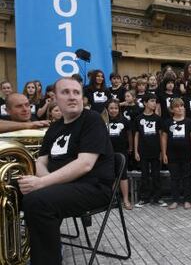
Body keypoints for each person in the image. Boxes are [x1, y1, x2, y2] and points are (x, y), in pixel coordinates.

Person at [18, 77, 114, 265]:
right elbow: (41, 161)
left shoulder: (92, 119)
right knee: (11, 192)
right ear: (55, 98)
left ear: (82, 97)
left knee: (38, 201)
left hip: (93, 187)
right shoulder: (55, 127)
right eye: (65, 92)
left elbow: (85, 164)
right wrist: (44, 182)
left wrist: (42, 184)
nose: (72, 97)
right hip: (62, 186)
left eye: (76, 92)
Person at [161, 98, 191, 209]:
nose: (180, 108)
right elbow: (164, 138)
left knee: (187, 177)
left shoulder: (189, 122)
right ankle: (175, 200)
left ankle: (187, 200)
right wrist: (164, 153)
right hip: (172, 154)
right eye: (177, 106)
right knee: (174, 178)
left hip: (187, 154)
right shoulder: (167, 122)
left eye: (181, 106)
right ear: (172, 109)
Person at [134, 94, 167, 208]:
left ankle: (158, 198)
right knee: (144, 175)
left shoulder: (158, 118)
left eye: (155, 101)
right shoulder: (138, 118)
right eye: (152, 101)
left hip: (156, 151)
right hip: (143, 151)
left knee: (156, 175)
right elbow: (137, 135)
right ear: (145, 103)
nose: (154, 103)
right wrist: (135, 151)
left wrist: (162, 152)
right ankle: (144, 198)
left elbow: (161, 135)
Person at [107, 99, 132, 210]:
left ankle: (125, 199)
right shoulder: (104, 120)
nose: (113, 110)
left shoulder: (124, 120)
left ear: (119, 109)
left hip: (122, 151)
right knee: (110, 175)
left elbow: (129, 135)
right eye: (111, 108)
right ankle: (112, 199)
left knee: (123, 175)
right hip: (108, 152)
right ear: (107, 109)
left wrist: (130, 147)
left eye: (116, 108)